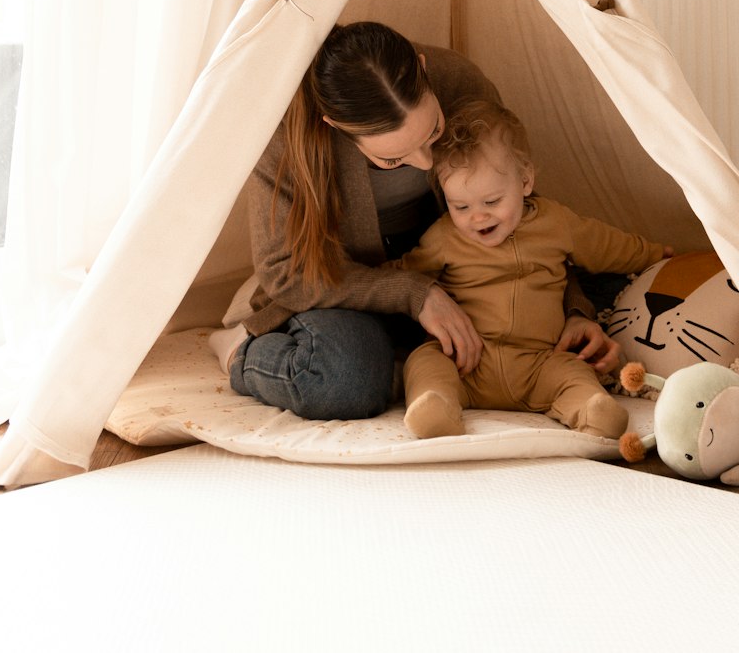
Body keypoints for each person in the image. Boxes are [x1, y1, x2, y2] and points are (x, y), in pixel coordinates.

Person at [213, 21, 618, 420]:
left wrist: (574, 311)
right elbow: (284, 271)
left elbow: (518, 211)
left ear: (423, 71)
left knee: (606, 285)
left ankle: (399, 358)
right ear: (335, 128)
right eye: (392, 159)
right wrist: (413, 293)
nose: (427, 161)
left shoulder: (458, 82)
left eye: (434, 131)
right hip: (343, 284)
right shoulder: (283, 130)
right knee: (344, 380)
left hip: (462, 274)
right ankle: (239, 349)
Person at [395, 98, 670, 440]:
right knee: (425, 362)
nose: (477, 217)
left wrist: (659, 253)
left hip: (540, 361)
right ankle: (435, 407)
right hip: (466, 362)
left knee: (573, 373)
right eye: (460, 206)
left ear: (525, 180)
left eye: (492, 202)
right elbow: (404, 274)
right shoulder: (443, 237)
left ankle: (591, 409)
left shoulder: (556, 222)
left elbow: (607, 246)